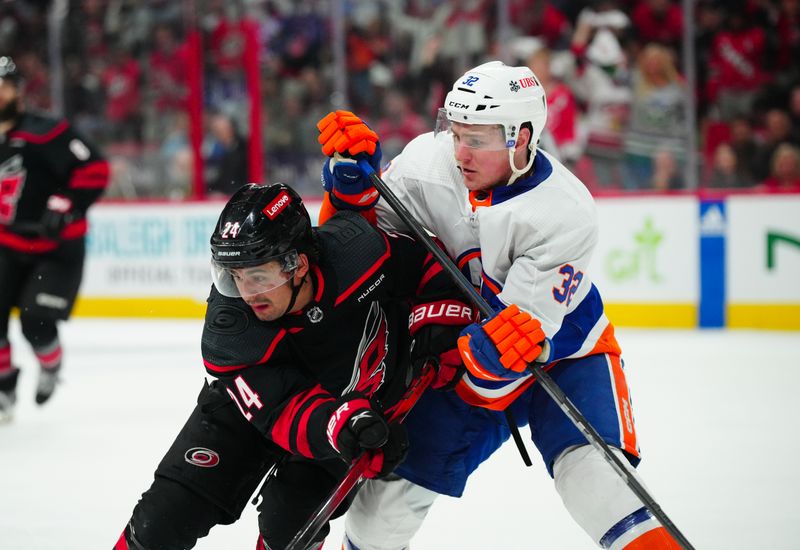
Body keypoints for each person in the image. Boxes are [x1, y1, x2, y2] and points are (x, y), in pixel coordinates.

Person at [316, 61, 682, 549]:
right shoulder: (428, 162)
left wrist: (477, 351)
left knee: (596, 485)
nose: (461, 153)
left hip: (567, 353)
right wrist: (349, 192)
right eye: (456, 132)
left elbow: (514, 352)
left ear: (523, 136)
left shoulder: (564, 211)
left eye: (480, 139)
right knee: (384, 510)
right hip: (464, 358)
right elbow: (355, 247)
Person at [114, 182, 475, 550]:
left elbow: (429, 265)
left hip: (351, 405)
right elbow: (283, 409)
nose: (246, 292)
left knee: (289, 523)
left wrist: (440, 323)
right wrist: (342, 424)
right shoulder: (230, 329)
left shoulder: (359, 251)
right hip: (263, 409)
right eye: (233, 275)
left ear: (298, 264)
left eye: (258, 276)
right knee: (163, 517)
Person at [0, 55, 109, 422]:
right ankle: (4, 390)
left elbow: (95, 166)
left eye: (4, 87)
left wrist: (65, 203)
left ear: (18, 91)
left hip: (56, 249)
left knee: (36, 322)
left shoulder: (47, 131)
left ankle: (50, 364)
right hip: (6, 244)